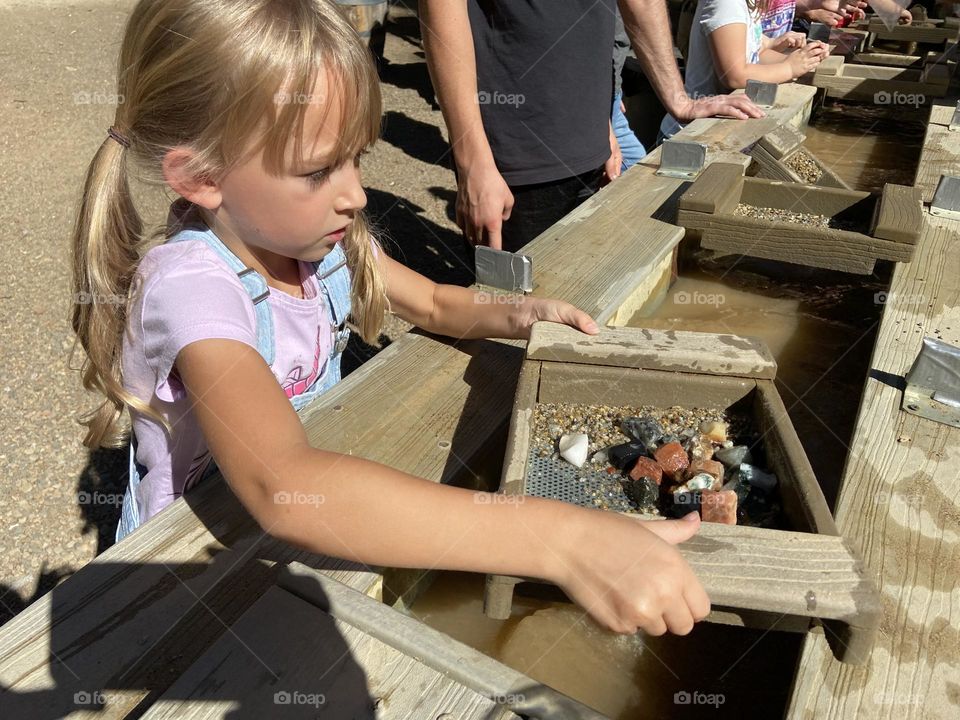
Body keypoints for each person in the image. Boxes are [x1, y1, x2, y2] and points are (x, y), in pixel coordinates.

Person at [70, 0, 711, 637]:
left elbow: (433, 302)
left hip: (299, 537)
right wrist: (565, 539)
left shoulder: (317, 246)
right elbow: (281, 482)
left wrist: (517, 313)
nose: (356, 195)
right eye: (319, 170)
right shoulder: (191, 287)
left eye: (357, 159)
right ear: (201, 177)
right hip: (192, 581)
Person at [420, 0, 764, 253]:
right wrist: (472, 163)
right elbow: (441, 12)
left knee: (586, 297)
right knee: (511, 320)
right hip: (517, 153)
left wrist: (672, 103)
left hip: (592, 142)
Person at [661, 0, 830, 139]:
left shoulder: (747, 4)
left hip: (718, 126)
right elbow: (734, 75)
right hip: (689, 134)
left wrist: (804, 59)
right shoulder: (726, 4)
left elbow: (756, 55)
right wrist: (789, 68)